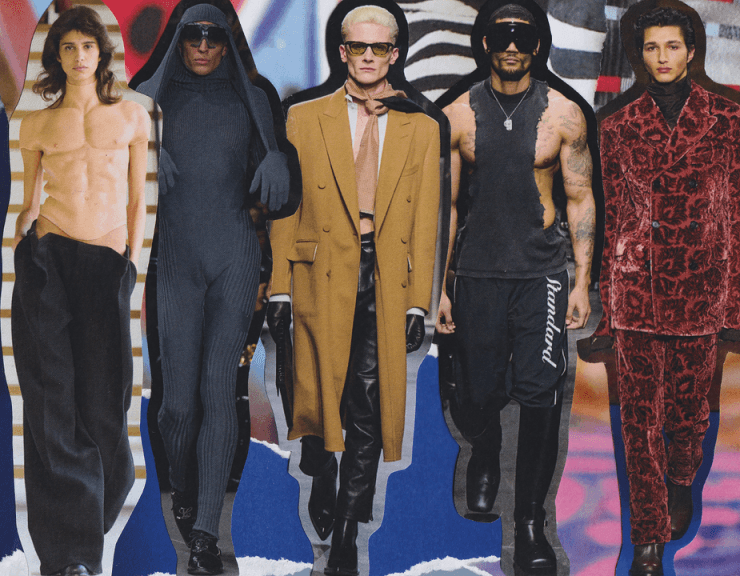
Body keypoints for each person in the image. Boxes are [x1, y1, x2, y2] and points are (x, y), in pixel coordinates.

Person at [267, 4, 441, 574]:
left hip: (384, 273)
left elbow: (426, 220)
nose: (368, 57)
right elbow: (286, 209)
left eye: (379, 48)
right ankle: (321, 467)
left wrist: (418, 300)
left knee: (368, 398)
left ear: (395, 54)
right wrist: (279, 287)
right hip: (319, 269)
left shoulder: (421, 126)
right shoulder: (303, 117)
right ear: (342, 52)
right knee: (318, 389)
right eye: (358, 47)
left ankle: (347, 528)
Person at [437, 2, 596, 573]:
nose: (510, 46)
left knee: (541, 394)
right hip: (477, 273)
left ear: (537, 46)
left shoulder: (564, 115)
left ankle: (530, 524)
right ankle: (484, 447)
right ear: (485, 43)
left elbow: (580, 198)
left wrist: (581, 281)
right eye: (501, 36)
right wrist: (440, 287)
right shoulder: (457, 114)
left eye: (521, 38)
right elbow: (446, 208)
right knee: (476, 392)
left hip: (541, 276)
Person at [596, 5, 740, 575]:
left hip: (700, 288)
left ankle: (682, 476)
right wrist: (608, 302)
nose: (661, 57)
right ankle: (647, 541)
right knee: (638, 422)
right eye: (651, 47)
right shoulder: (616, 126)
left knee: (687, 415)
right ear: (640, 54)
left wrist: (738, 304)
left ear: (691, 51)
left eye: (671, 46)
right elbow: (611, 219)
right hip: (636, 288)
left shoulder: (729, 120)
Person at [135, 4, 291, 574]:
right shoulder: (145, 102)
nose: (203, 46)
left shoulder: (256, 99)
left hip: (235, 257)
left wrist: (278, 160)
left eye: (213, 36)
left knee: (220, 390)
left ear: (228, 43)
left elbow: (285, 189)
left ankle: (205, 530)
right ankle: (182, 488)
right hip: (175, 258)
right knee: (176, 404)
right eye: (193, 35)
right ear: (178, 40)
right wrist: (142, 150)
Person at [12, 6, 148, 575]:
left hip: (106, 263)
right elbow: (28, 200)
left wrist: (130, 261)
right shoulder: (38, 124)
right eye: (67, 47)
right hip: (49, 260)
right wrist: (23, 248)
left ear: (101, 52)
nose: (78, 56)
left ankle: (92, 506)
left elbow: (138, 198)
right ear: (56, 56)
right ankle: (70, 557)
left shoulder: (132, 117)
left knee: (104, 405)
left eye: (87, 46)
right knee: (51, 400)